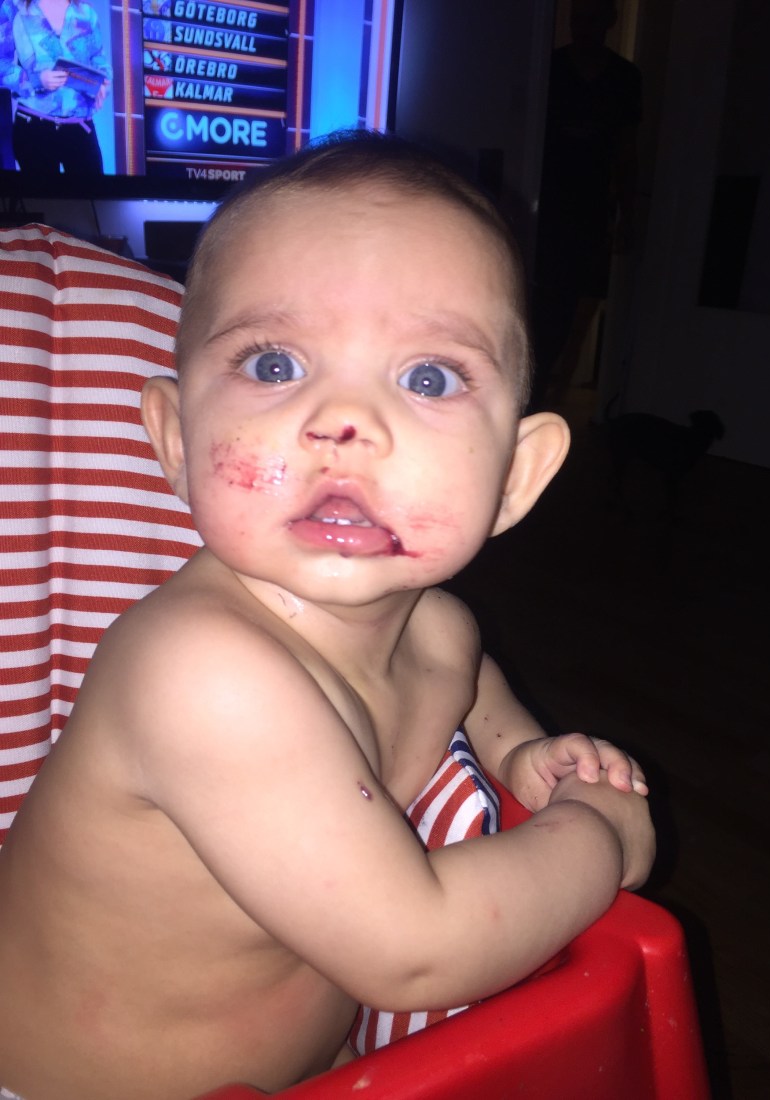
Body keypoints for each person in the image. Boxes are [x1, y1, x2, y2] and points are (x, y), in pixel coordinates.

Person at [0, 131, 655, 1100]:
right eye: (274, 364)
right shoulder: (201, 674)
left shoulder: (440, 630)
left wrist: (523, 752)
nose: (344, 425)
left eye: (428, 378)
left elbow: (466, 686)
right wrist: (598, 833)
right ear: (175, 441)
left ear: (516, 478)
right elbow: (414, 950)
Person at [532, 0, 642, 406]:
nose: (584, 25)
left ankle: (551, 399)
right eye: (579, 16)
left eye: (593, 17)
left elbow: (627, 152)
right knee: (543, 310)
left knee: (579, 313)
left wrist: (627, 215)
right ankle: (536, 396)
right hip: (546, 207)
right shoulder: (549, 68)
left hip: (593, 210)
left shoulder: (624, 78)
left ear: (610, 21)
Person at [11, 0, 111, 174]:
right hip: (33, 127)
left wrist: (102, 84)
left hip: (80, 126)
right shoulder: (16, 10)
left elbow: (100, 62)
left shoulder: (87, 14)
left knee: (93, 190)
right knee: (42, 192)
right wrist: (37, 80)